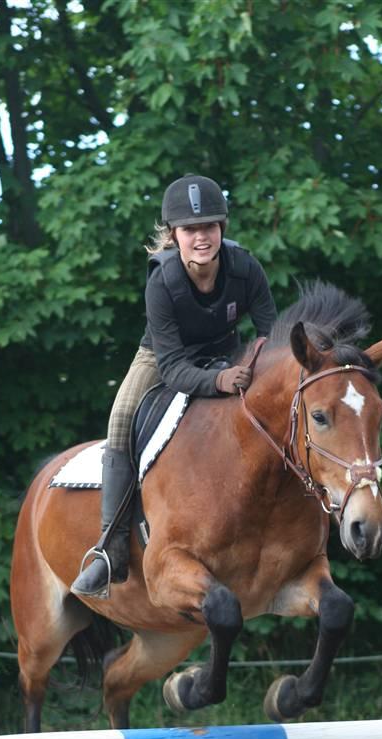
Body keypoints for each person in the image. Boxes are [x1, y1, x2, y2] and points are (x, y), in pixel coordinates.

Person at [71, 173, 277, 598]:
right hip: (164, 359)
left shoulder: (246, 268)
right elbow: (173, 369)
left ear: (222, 229)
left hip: (228, 352)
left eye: (209, 227)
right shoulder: (162, 283)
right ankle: (110, 548)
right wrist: (219, 380)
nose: (201, 237)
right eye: (190, 230)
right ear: (174, 235)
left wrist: (257, 363)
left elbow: (271, 332)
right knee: (121, 420)